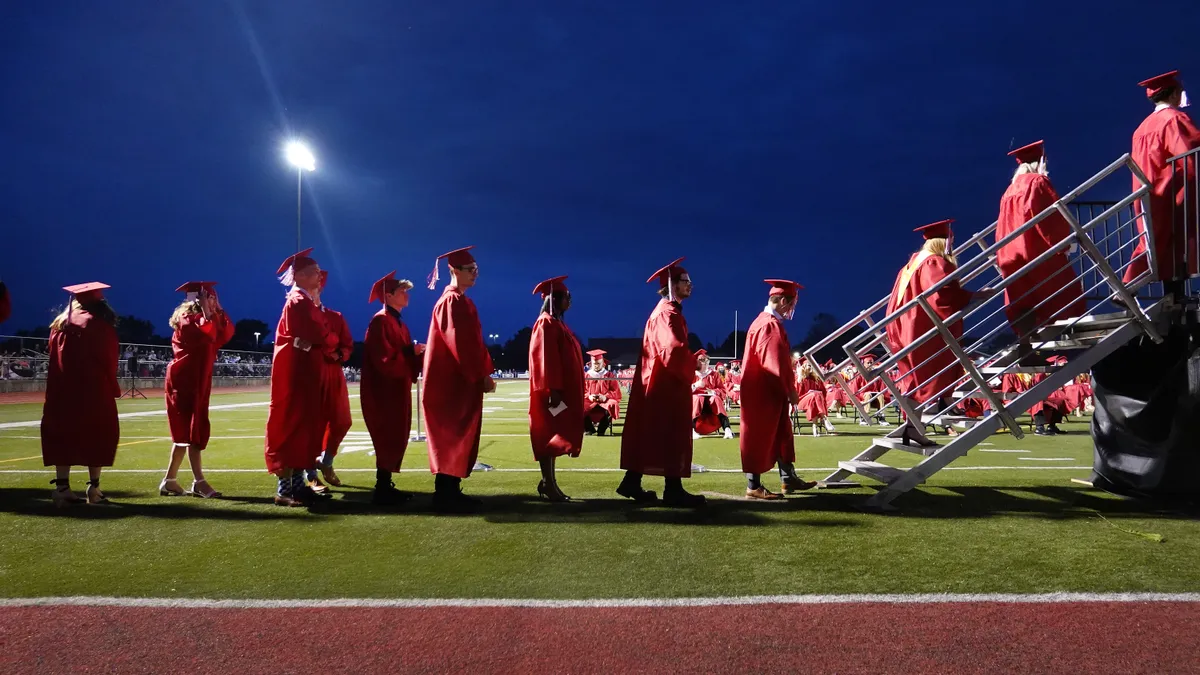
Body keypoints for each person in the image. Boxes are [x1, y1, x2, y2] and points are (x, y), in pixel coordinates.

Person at [618, 258, 704, 507]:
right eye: (686, 281)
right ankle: (672, 490)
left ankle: (632, 482)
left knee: (655, 434)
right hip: (665, 384)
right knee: (669, 434)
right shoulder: (667, 313)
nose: (691, 285)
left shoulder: (668, 311)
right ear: (672, 284)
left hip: (661, 382)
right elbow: (671, 350)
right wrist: (694, 362)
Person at [996, 140, 1085, 360]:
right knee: (1062, 293)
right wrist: (1065, 242)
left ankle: (1026, 347)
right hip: (1036, 252)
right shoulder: (1038, 182)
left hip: (1012, 256)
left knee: (1024, 302)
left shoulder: (1010, 190)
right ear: (1041, 161)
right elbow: (1049, 218)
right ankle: (1070, 350)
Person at [423, 246, 495, 511]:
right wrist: (481, 374)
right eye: (469, 269)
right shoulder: (451, 301)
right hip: (451, 384)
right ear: (453, 270)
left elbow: (473, 343)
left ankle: (451, 490)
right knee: (450, 435)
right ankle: (445, 494)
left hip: (458, 382)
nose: (475, 273)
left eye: (476, 268)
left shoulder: (461, 300)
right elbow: (461, 344)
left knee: (457, 435)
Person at [886, 220, 980, 422]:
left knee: (916, 379)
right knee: (927, 375)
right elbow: (941, 294)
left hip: (906, 326)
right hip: (921, 326)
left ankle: (917, 426)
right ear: (944, 242)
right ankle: (939, 407)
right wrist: (971, 296)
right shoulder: (933, 262)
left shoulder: (911, 265)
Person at [41, 283, 121, 507]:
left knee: (61, 434)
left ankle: (62, 488)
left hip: (61, 390)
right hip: (93, 390)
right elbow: (108, 359)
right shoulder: (97, 324)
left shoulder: (59, 325)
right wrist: (113, 387)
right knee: (98, 435)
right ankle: (94, 488)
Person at [739, 279, 818, 499]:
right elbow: (773, 363)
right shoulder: (768, 324)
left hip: (768, 390)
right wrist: (790, 390)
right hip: (764, 391)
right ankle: (753, 485)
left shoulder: (766, 322)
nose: (793, 309)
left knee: (782, 434)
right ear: (783, 301)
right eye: (792, 304)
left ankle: (788, 479)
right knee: (759, 436)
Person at [1123, 70, 1200, 292]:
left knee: (1154, 242)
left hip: (1147, 192)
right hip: (1171, 190)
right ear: (1175, 94)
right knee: (1175, 243)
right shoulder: (1175, 119)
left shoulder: (1142, 127)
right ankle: (1131, 284)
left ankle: (1131, 283)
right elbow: (1187, 154)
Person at [264, 248, 330, 507]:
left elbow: (317, 334)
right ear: (300, 275)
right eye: (314, 273)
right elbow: (318, 332)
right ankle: (285, 490)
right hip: (296, 374)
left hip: (303, 371)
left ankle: (299, 486)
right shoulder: (297, 301)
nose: (319, 277)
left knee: (303, 429)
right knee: (292, 428)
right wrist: (320, 338)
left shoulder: (304, 300)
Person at [159, 281, 234, 499]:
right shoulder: (187, 319)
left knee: (187, 432)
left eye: (213, 298)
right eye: (209, 297)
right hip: (185, 380)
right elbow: (207, 332)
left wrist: (217, 309)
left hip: (199, 379)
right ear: (198, 300)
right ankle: (199, 482)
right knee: (191, 432)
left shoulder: (207, 316)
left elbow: (226, 333)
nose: (212, 301)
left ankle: (170, 480)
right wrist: (206, 310)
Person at [361, 271, 423, 505]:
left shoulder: (398, 322)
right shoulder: (381, 321)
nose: (407, 295)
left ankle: (385, 484)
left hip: (397, 388)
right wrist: (411, 352)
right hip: (384, 391)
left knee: (396, 436)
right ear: (388, 296)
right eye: (402, 291)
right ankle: (382, 487)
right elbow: (383, 359)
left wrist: (416, 354)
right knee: (387, 436)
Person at [528, 276, 585, 502]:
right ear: (555, 299)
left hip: (563, 392)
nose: (570, 301)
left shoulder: (559, 323)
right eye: (566, 297)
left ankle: (548, 483)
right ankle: (548, 484)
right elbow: (545, 359)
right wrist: (553, 389)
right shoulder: (545, 323)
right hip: (552, 393)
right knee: (549, 435)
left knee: (556, 435)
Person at [307, 270, 353, 494]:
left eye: (317, 286)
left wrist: (340, 355)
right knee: (312, 424)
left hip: (334, 372)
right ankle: (310, 475)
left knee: (342, 420)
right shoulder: (302, 313)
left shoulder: (336, 316)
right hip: (312, 373)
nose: (314, 290)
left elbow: (347, 345)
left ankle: (326, 461)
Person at [690, 349, 734, 440]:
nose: (706, 363)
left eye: (707, 361)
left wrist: (713, 392)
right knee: (697, 398)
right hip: (696, 402)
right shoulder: (691, 374)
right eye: (702, 361)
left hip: (711, 402)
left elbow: (722, 389)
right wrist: (695, 385)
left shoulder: (714, 374)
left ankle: (727, 428)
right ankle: (692, 430)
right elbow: (684, 390)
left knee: (716, 399)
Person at [583, 349, 621, 436]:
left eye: (598, 363)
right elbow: (582, 390)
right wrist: (589, 396)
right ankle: (589, 429)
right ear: (591, 363)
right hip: (589, 400)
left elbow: (615, 390)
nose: (596, 365)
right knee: (579, 405)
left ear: (603, 363)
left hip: (605, 400)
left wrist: (605, 397)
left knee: (613, 404)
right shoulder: (586, 375)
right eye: (594, 363)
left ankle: (601, 429)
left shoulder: (609, 375)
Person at [796, 360, 837, 437]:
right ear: (803, 367)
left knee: (815, 398)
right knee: (814, 395)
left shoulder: (817, 379)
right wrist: (800, 379)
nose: (810, 367)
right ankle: (825, 419)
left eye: (811, 365)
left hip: (815, 401)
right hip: (802, 401)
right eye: (808, 365)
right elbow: (797, 394)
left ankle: (815, 427)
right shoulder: (799, 379)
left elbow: (823, 392)